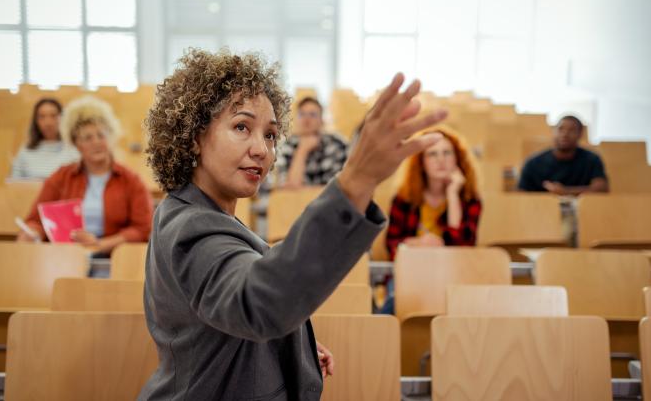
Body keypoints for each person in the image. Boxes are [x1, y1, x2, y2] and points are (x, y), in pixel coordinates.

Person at [140, 48, 446, 401]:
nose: (262, 150)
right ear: (194, 137)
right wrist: (356, 180)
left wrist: (290, 347)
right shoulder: (191, 226)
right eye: (241, 127)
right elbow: (256, 302)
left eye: (270, 135)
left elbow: (226, 320)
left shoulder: (198, 212)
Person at [16, 96, 153, 254]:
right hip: (67, 256)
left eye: (101, 135)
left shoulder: (131, 180)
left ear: (110, 138)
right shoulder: (61, 177)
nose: (96, 142)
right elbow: (36, 220)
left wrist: (100, 245)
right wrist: (32, 233)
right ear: (77, 144)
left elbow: (142, 228)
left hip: (112, 258)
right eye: (87, 138)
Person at [386, 126, 482, 260]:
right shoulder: (404, 198)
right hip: (413, 268)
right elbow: (392, 246)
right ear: (421, 162)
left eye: (447, 153)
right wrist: (418, 243)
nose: (440, 160)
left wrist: (453, 194)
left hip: (453, 270)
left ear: (457, 158)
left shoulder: (470, 199)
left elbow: (463, 248)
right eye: (432, 154)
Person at [517, 115, 608, 195]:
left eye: (571, 130)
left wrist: (566, 191)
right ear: (553, 131)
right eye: (561, 129)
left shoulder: (592, 159)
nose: (565, 134)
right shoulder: (533, 163)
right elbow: (521, 194)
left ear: (580, 134)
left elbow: (601, 188)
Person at [275, 97, 348, 188]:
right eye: (302, 114)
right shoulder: (286, 146)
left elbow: (337, 188)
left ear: (322, 120)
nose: (306, 120)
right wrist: (302, 151)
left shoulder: (337, 144)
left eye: (312, 115)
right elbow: (290, 188)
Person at [10, 98, 80, 179]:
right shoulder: (26, 150)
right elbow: (14, 182)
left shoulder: (73, 149)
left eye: (53, 116)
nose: (48, 122)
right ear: (36, 121)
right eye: (42, 117)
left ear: (62, 118)